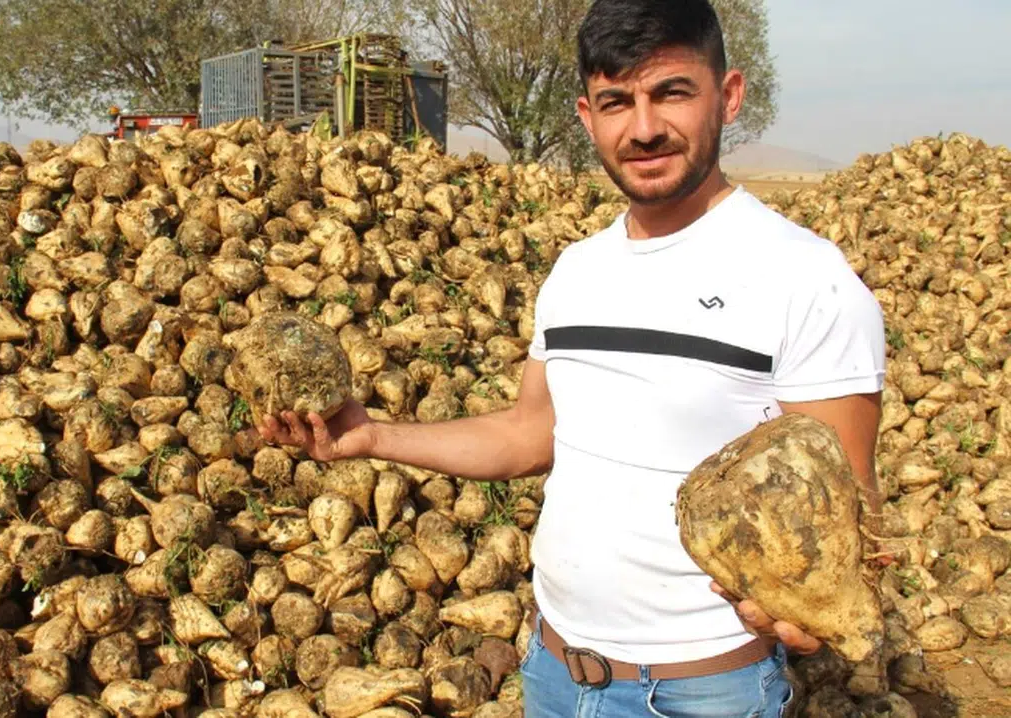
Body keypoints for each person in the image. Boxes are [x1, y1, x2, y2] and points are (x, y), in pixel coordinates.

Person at [255, 0, 887, 715]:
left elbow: (843, 508)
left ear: (730, 96)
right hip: (555, 674)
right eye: (617, 102)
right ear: (587, 117)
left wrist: (807, 610)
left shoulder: (808, 279)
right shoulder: (578, 271)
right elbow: (531, 434)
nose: (643, 128)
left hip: (703, 693)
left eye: (671, 93)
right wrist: (372, 437)